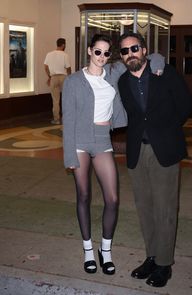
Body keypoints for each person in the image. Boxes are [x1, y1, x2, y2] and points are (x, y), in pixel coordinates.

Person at [62, 34, 165, 275]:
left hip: (102, 139)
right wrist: (69, 155)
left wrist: (158, 66)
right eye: (97, 52)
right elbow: (68, 119)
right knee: (84, 195)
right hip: (79, 139)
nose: (102, 57)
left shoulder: (113, 72)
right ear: (89, 51)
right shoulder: (73, 81)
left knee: (113, 199)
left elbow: (152, 56)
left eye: (107, 53)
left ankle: (105, 250)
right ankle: (88, 249)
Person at [118, 32, 192, 287]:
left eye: (135, 48)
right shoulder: (122, 81)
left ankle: (164, 263)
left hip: (165, 149)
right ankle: (151, 255)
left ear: (144, 50)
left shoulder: (165, 73)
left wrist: (167, 131)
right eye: (125, 51)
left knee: (165, 209)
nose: (131, 54)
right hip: (137, 152)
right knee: (145, 208)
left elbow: (185, 106)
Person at [44, 38, 71, 125]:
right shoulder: (65, 55)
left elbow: (46, 67)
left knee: (55, 100)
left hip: (53, 78)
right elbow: (68, 68)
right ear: (63, 45)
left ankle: (56, 119)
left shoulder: (49, 54)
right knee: (66, 99)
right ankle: (66, 119)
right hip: (63, 77)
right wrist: (69, 77)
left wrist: (50, 77)